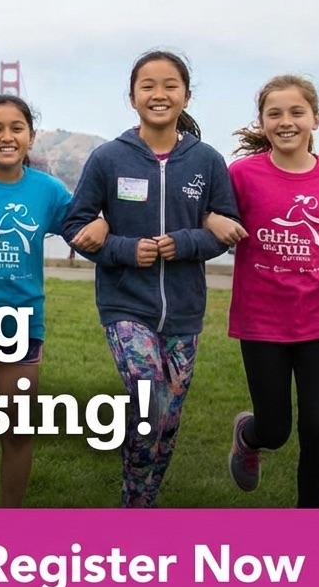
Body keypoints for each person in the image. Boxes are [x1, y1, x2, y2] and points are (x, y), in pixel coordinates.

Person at [62, 50, 238, 508]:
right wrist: (124, 250)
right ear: (132, 97)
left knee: (168, 421)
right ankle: (132, 504)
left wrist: (184, 242)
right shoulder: (107, 158)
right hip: (125, 305)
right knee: (149, 404)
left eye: (170, 85)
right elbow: (76, 226)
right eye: (148, 85)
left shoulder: (207, 161)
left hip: (184, 311)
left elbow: (226, 229)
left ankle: (144, 503)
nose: (159, 94)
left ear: (186, 96)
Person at [0, 95, 104, 506]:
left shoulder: (48, 191)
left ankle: (10, 523)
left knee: (17, 429)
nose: (7, 136)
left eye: (17, 128)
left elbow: (82, 229)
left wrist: (103, 223)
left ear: (31, 136)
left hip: (23, 323)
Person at [219, 75, 319, 507]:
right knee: (275, 430)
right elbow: (213, 216)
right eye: (275, 113)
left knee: (318, 427)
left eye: (296, 112)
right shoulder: (242, 175)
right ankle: (248, 436)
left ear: (315, 120)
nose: (286, 121)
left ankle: (309, 523)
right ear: (262, 123)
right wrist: (215, 223)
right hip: (260, 319)